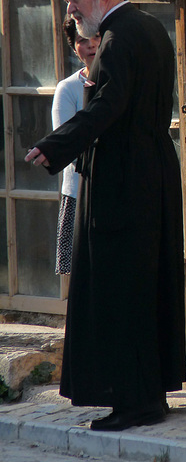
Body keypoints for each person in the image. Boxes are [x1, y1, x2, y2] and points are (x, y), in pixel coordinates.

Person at [25, 0, 185, 431]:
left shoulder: (116, 40)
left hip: (123, 180)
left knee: (122, 290)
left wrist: (56, 145)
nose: (70, 8)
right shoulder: (151, 29)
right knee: (144, 284)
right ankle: (149, 395)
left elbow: (106, 108)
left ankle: (134, 403)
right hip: (152, 172)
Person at [53, 17, 100, 275]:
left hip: (117, 190)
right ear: (74, 48)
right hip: (80, 191)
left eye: (95, 38)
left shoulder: (118, 80)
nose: (91, 45)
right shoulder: (68, 89)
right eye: (82, 40)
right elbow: (66, 143)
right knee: (83, 274)